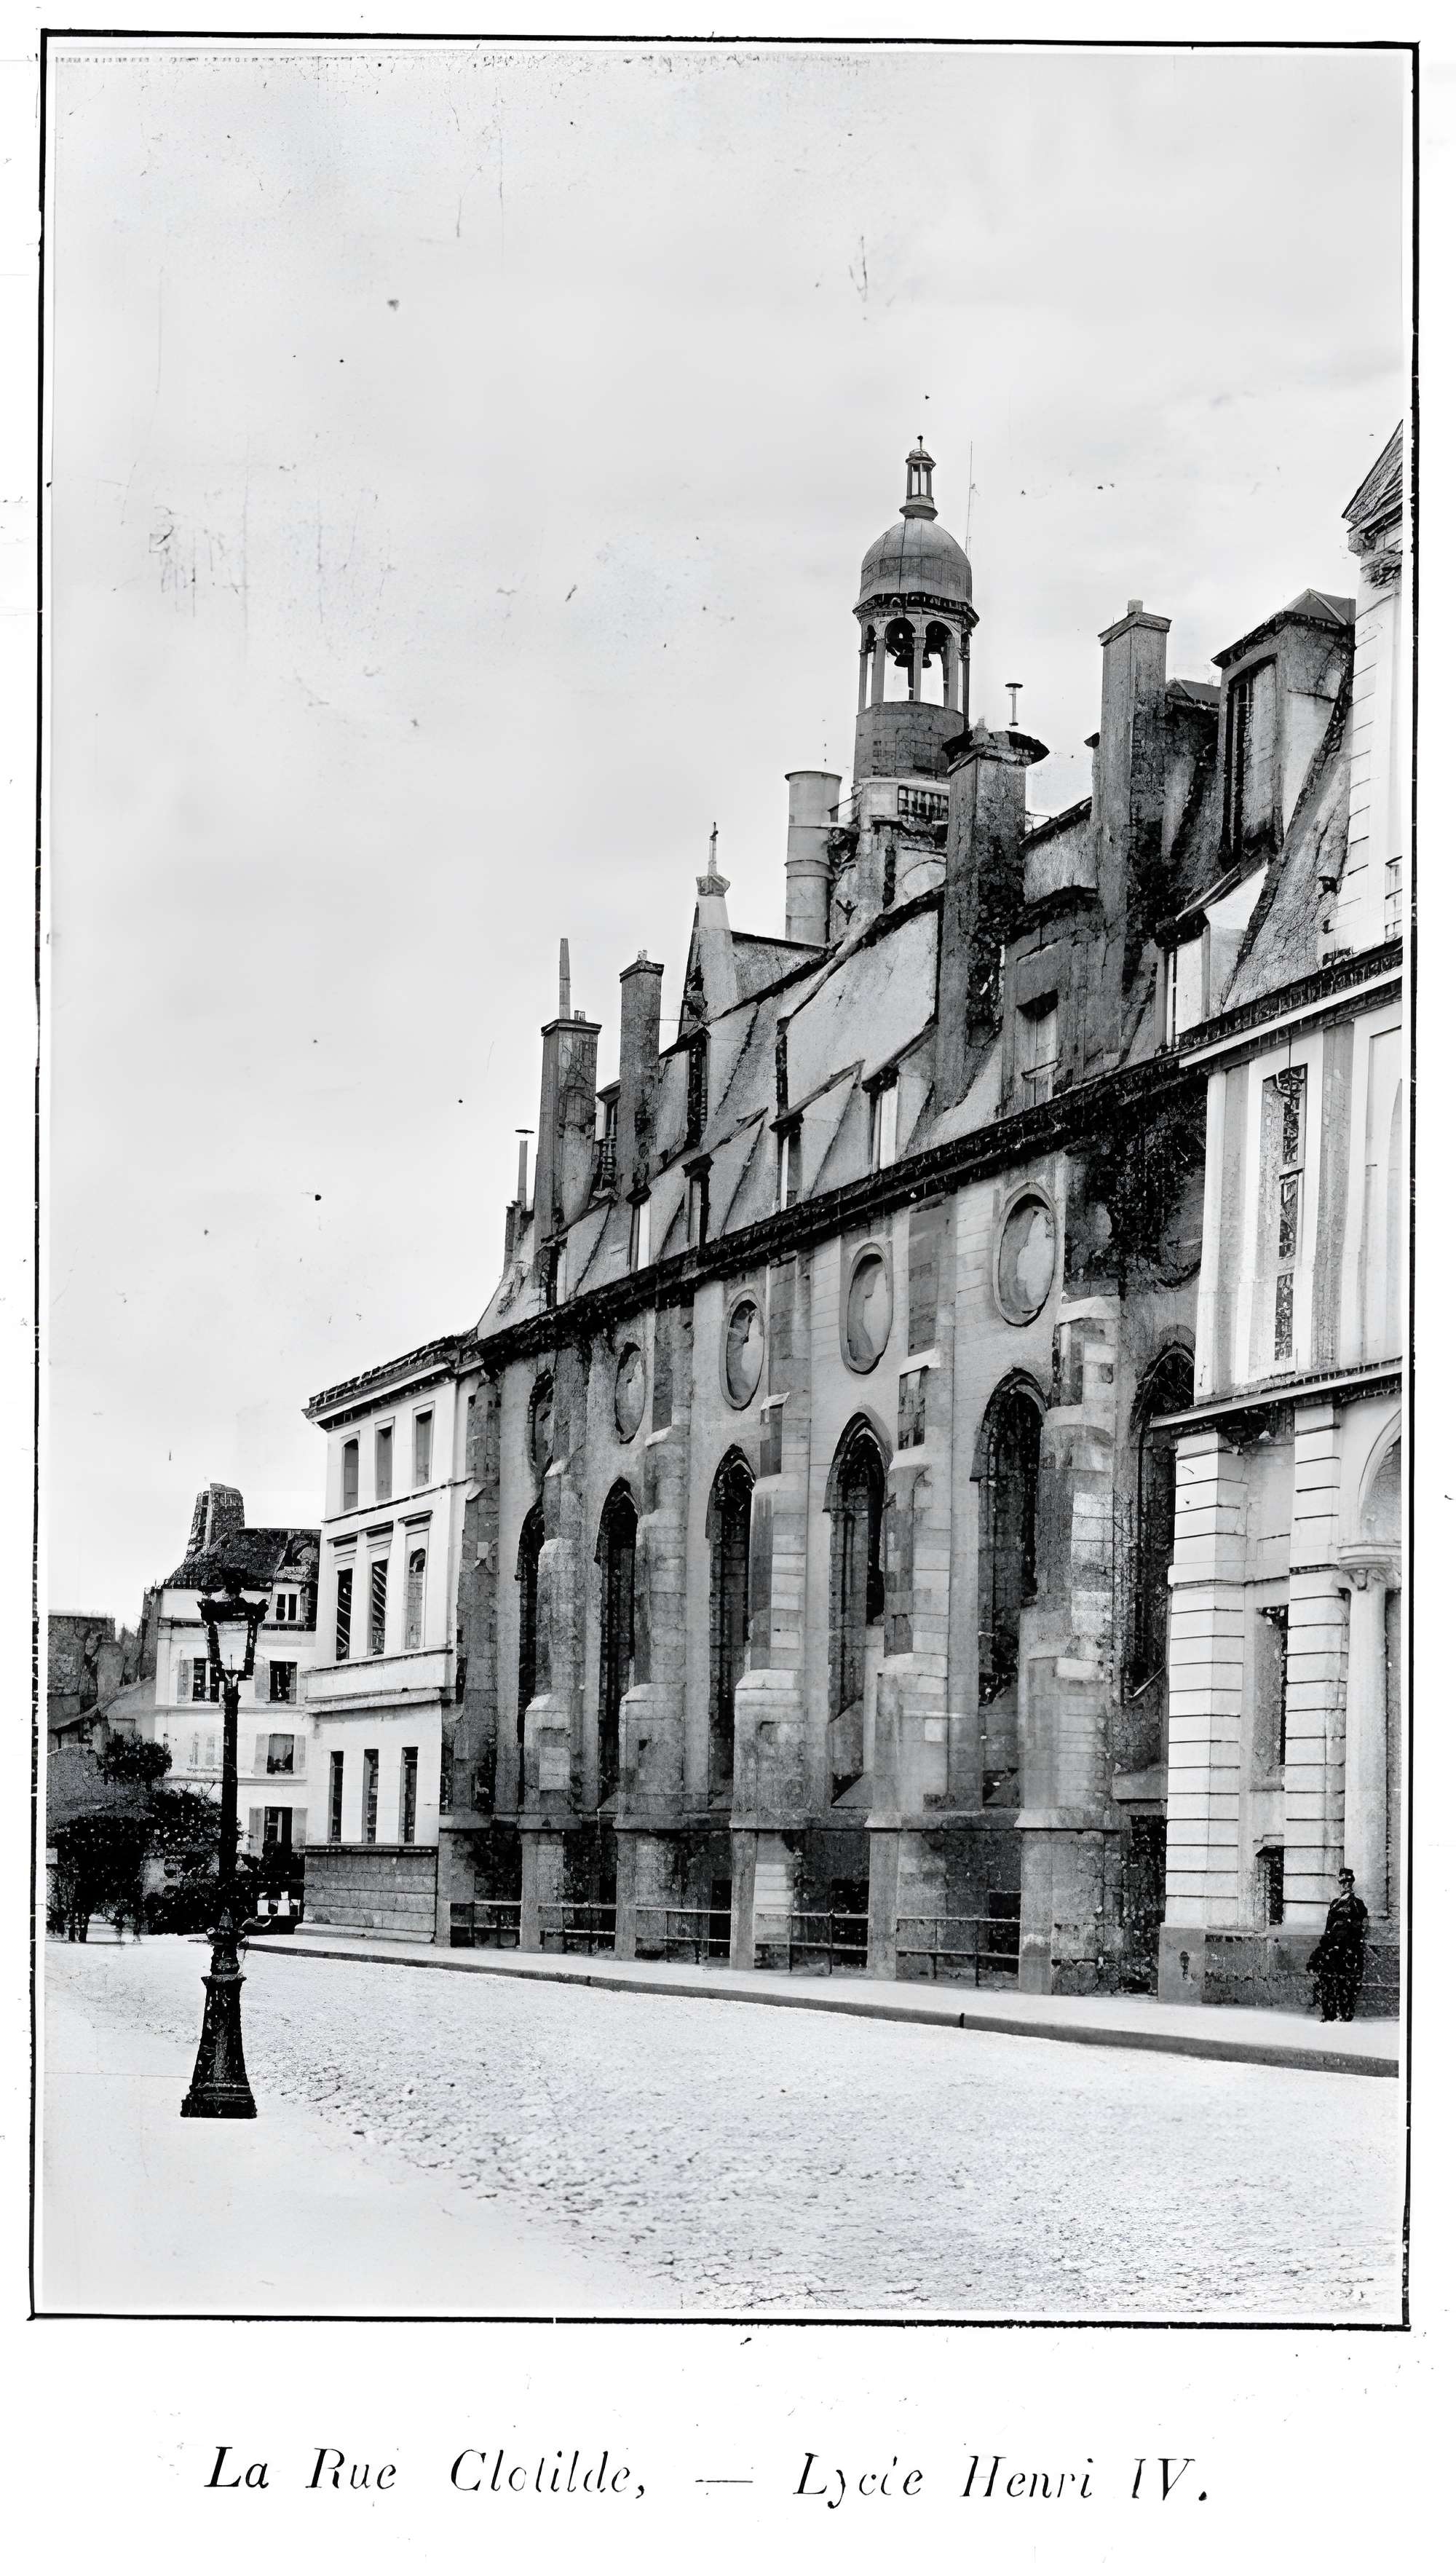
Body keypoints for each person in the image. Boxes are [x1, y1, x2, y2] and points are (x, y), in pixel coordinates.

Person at [1307, 1868, 1369, 2022]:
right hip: (1332, 1948)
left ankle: (1345, 2013)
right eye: (1342, 1882)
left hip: (1348, 1948)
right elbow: (1328, 1926)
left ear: (1352, 1883)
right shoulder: (1335, 1903)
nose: (1345, 1885)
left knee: (1346, 1982)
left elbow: (1361, 1926)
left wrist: (1352, 1941)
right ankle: (1329, 2013)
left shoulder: (1357, 1903)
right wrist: (1325, 1944)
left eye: (1348, 1882)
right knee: (1328, 1980)